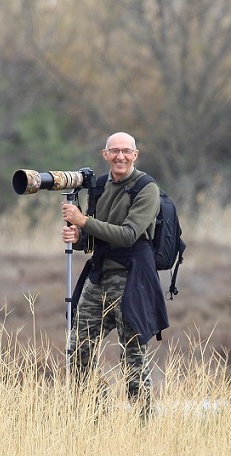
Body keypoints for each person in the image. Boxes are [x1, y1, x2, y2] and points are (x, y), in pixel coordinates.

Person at [61, 132, 169, 416]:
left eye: (126, 151)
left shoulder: (147, 188)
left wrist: (83, 220)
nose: (120, 156)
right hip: (99, 277)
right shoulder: (98, 186)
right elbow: (96, 239)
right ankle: (98, 415)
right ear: (105, 154)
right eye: (114, 151)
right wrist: (79, 237)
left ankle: (145, 426)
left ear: (135, 155)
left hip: (133, 280)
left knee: (132, 358)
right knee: (78, 352)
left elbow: (129, 235)